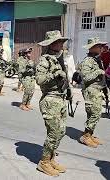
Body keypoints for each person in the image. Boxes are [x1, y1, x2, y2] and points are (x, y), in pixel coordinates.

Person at [35, 30, 70, 176]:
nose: (61, 44)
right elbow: (39, 80)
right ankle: (43, 163)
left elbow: (65, 78)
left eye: (62, 41)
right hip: (50, 99)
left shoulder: (60, 58)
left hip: (60, 99)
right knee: (53, 133)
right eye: (58, 42)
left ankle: (50, 158)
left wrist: (69, 90)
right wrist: (54, 74)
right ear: (51, 44)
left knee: (61, 132)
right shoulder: (45, 60)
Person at [79, 37, 108, 148]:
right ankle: (86, 136)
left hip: (97, 89)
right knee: (95, 113)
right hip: (91, 90)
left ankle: (90, 134)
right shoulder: (87, 61)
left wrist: (105, 87)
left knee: (94, 113)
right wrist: (97, 72)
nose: (101, 48)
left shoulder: (97, 59)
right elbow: (85, 78)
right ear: (92, 48)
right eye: (99, 46)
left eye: (101, 46)